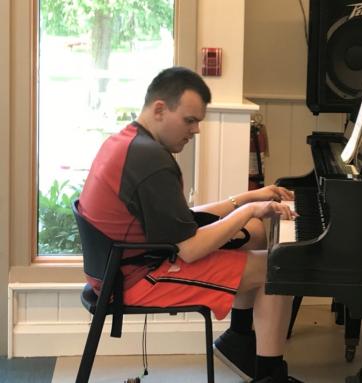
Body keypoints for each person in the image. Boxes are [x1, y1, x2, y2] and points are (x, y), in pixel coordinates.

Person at [78, 66, 302, 383]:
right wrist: (249, 208)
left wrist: (247, 199)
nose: (195, 130)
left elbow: (185, 217)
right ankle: (270, 377)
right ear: (159, 109)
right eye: (189, 120)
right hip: (135, 279)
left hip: (125, 264)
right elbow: (190, 249)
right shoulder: (150, 160)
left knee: (256, 233)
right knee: (279, 268)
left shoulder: (127, 142)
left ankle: (238, 340)